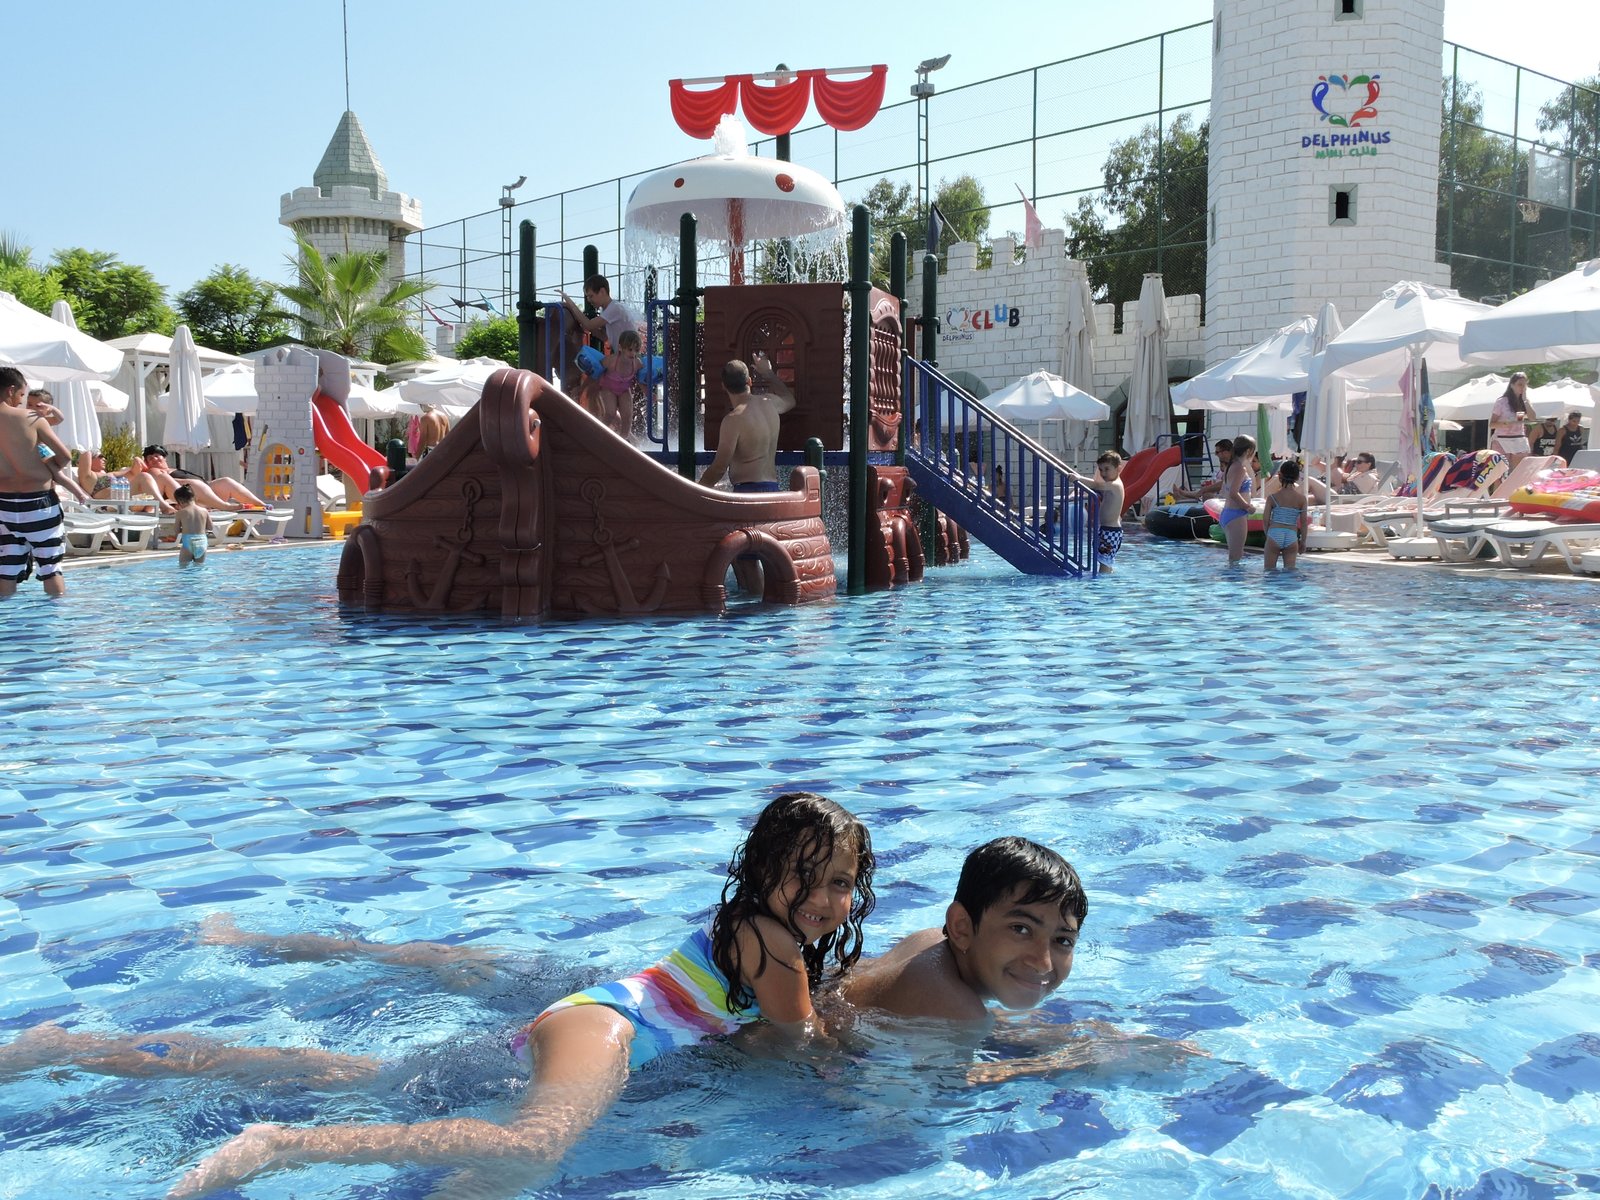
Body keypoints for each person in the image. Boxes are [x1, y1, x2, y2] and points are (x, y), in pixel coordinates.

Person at [2, 792, 874, 1199]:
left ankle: (63, 1048)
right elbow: (793, 1045)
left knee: (359, 1077)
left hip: (585, 1022)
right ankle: (283, 1149)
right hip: (604, 1035)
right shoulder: (776, 945)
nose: (832, 901)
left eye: (842, 884)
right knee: (533, 1147)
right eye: (815, 878)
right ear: (764, 871)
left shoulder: (751, 928)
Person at [1, 367, 91, 598]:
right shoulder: (31, 419)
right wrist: (48, 467)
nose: (22, 402)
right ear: (11, 390)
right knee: (50, 569)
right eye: (22, 396)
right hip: (39, 504)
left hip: (3, 506)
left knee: (6, 570)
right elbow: (65, 457)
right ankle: (55, 628)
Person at [697, 353, 795, 492]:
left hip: (748, 494)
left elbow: (719, 469)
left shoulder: (732, 420)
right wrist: (768, 373)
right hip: (773, 490)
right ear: (749, 381)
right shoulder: (770, 403)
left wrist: (696, 491)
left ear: (723, 386)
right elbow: (790, 400)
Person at [137, 445, 270, 511]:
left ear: (164, 457)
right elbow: (161, 483)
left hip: (205, 491)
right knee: (194, 484)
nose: (154, 459)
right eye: (150, 458)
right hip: (185, 495)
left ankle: (261, 505)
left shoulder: (173, 468)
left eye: (157, 455)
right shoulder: (153, 472)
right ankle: (225, 506)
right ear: (146, 462)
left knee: (226, 481)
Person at [1068, 452, 1126, 573]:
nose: (1103, 473)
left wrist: (1078, 478)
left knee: (1104, 560)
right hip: (1107, 529)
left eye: (1107, 469)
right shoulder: (1112, 485)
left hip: (1111, 531)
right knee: (1104, 559)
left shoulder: (1115, 485)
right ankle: (1106, 578)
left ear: (1118, 469)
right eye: (1101, 470)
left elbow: (1096, 485)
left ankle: (1102, 586)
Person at [580, 328, 644, 438]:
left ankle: (624, 440)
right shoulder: (611, 360)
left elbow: (641, 380)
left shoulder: (637, 363)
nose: (633, 353)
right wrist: (584, 388)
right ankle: (598, 436)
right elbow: (595, 373)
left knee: (628, 417)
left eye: (636, 350)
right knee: (610, 413)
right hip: (608, 388)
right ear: (620, 348)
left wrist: (647, 393)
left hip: (624, 390)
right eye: (630, 349)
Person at [560, 273, 640, 350]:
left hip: (630, 355)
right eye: (587, 297)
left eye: (591, 296)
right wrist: (582, 324)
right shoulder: (607, 310)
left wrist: (570, 303)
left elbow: (589, 325)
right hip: (625, 354)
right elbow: (604, 337)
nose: (588, 300)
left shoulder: (614, 308)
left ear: (602, 291)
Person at [1262, 460, 1308, 571]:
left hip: (1275, 533)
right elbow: (1304, 523)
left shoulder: (1272, 497)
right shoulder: (1301, 499)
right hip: (1291, 536)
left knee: (1269, 572)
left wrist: (1268, 534)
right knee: (1290, 572)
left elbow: (1265, 519)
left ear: (1279, 475)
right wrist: (1303, 542)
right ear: (1297, 477)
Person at [1218, 432, 1256, 565]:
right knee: (1236, 558)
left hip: (1228, 513)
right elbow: (1234, 493)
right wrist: (1248, 507)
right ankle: (1233, 585)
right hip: (1237, 515)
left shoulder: (1231, 466)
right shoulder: (1240, 468)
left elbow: (1226, 491)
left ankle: (1230, 584)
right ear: (1248, 451)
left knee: (1234, 558)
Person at [1488, 372, 1535, 466]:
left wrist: (1525, 400)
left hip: (1518, 438)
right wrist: (1505, 423)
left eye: (1525, 385)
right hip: (1502, 439)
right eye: (1520, 384)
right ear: (1512, 385)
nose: (1522, 387)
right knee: (1500, 472)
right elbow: (1491, 424)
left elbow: (1532, 418)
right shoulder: (1502, 401)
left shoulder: (1525, 401)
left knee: (1518, 471)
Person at [172, 485, 209, 567]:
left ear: (180, 501)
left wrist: (184, 529)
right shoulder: (204, 511)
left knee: (184, 568)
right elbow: (210, 527)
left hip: (188, 541)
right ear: (194, 497)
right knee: (199, 568)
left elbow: (177, 531)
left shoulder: (181, 513)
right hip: (202, 542)